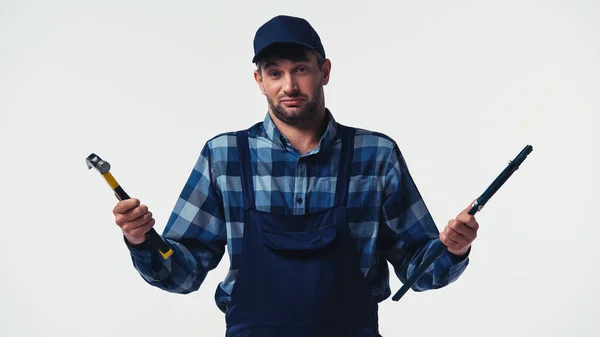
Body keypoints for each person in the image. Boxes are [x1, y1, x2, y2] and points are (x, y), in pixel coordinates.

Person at [112, 15, 479, 337]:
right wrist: (143, 240)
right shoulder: (224, 156)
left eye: (301, 69)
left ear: (324, 71)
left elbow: (420, 269)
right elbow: (183, 274)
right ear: (259, 80)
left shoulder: (376, 155)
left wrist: (453, 249)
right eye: (275, 72)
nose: (288, 85)